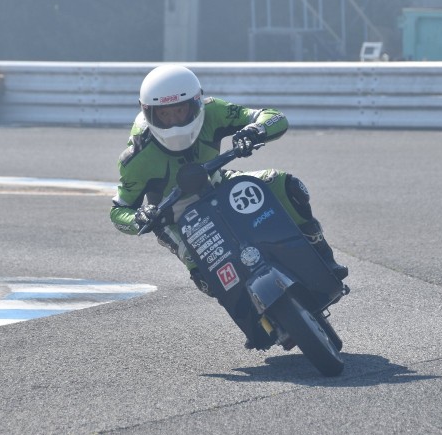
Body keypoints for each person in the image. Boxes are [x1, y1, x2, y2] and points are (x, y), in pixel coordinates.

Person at [109, 64, 348, 300]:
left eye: (180, 111)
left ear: (196, 103)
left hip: (217, 184)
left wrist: (255, 130)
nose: (174, 121)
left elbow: (274, 117)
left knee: (286, 186)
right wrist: (139, 218)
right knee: (209, 282)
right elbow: (119, 211)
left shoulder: (214, 111)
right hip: (174, 217)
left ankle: (322, 255)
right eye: (164, 114)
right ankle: (256, 318)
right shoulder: (136, 158)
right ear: (148, 111)